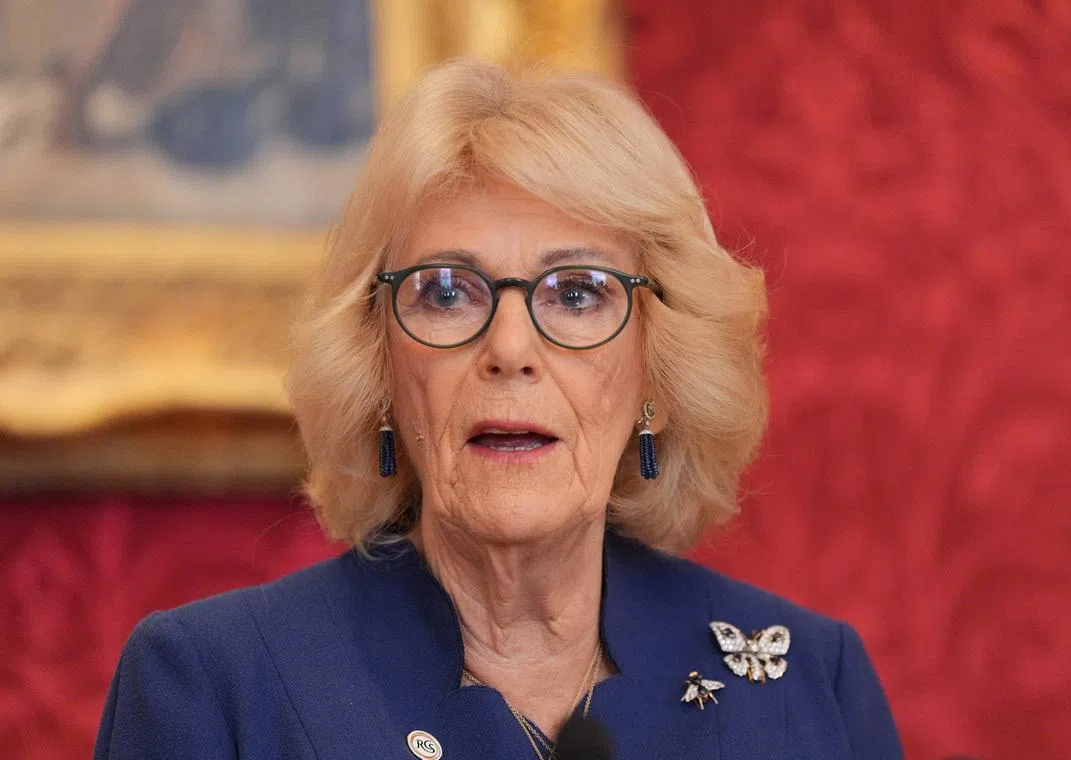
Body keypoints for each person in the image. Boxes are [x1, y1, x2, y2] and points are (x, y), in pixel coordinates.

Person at [93, 58, 902, 760]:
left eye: (578, 293)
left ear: (657, 367)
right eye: (447, 292)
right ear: (378, 362)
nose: (510, 348)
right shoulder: (212, 686)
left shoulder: (807, 682)